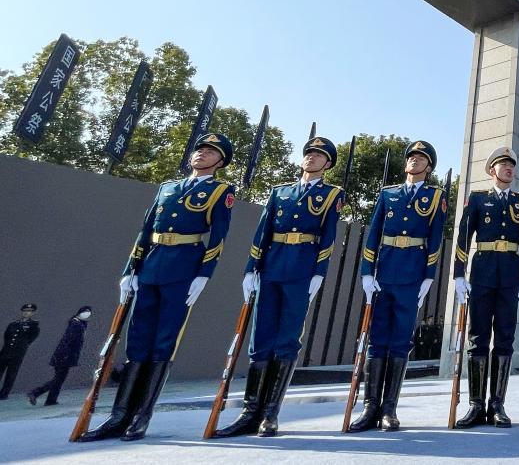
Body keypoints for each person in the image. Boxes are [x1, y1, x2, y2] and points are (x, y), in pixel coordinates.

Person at [79, 133, 235, 442]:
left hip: (183, 269)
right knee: (137, 340)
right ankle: (119, 415)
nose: (201, 153)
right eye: (200, 148)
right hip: (151, 265)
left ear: (220, 162)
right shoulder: (167, 188)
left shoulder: (220, 191)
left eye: (210, 151)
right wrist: (130, 270)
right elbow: (146, 229)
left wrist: (204, 274)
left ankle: (141, 416)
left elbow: (218, 237)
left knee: (164, 342)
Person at [213, 137, 344, 438]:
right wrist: (251, 268)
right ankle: (250, 411)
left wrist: (318, 272)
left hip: (301, 270)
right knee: (260, 339)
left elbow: (328, 236)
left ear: (327, 164)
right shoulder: (279, 192)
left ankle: (270, 413)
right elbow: (263, 232)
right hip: (271, 267)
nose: (311, 158)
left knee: (286, 340)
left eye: (318, 155)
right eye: (309, 153)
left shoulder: (331, 194)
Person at [349, 140, 447, 432]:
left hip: (411, 274)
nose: (414, 161)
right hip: (384, 271)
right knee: (377, 340)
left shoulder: (435, 196)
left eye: (421, 158)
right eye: (412, 157)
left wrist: (428, 276)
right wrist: (367, 272)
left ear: (429, 167)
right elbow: (373, 234)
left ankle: (389, 408)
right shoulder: (387, 194)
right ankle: (370, 407)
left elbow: (435, 237)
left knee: (400, 340)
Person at [452, 146, 519, 428]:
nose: (509, 168)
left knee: (504, 338)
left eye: (512, 165)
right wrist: (459, 275)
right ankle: (476, 405)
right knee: (477, 337)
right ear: (492, 170)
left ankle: (497, 404)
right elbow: (463, 238)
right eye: (503, 165)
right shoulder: (476, 199)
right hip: (483, 273)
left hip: (510, 276)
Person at [28, 306, 91, 406]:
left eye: (89, 312)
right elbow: (68, 340)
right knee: (58, 379)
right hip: (64, 356)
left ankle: (51, 400)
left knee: (59, 378)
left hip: (65, 356)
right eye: (86, 311)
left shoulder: (80, 324)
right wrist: (66, 356)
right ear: (79, 313)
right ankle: (36, 393)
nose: (88, 313)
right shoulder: (75, 324)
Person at [0, 304, 41, 399]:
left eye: (29, 311)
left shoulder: (34, 326)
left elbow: (29, 340)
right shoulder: (13, 324)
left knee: (11, 375)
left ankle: (3, 394)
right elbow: (6, 337)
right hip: (5, 352)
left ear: (33, 313)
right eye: (25, 310)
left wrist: (19, 348)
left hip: (17, 354)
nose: (26, 312)